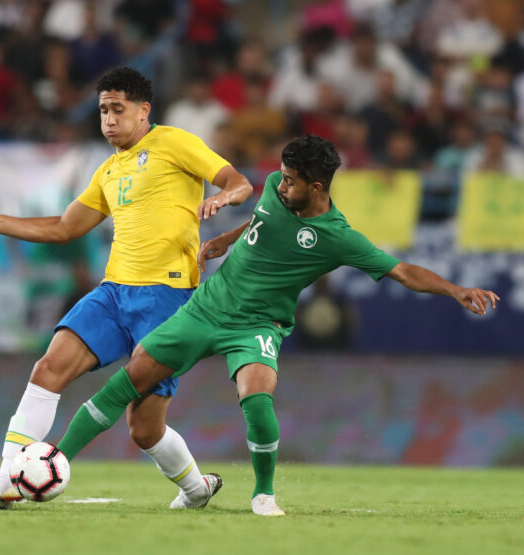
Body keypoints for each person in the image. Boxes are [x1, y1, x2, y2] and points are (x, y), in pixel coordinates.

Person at [53, 135, 500, 516]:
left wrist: (455, 290)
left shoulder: (338, 236)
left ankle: (263, 493)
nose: (280, 184)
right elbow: (260, 219)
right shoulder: (273, 188)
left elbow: (402, 271)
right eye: (281, 176)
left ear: (317, 186)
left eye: (290, 180)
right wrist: (227, 239)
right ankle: (54, 464)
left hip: (258, 325)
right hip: (205, 309)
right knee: (129, 380)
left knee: (257, 394)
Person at [0, 66, 252, 509]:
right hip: (112, 294)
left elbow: (238, 182)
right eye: (103, 110)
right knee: (48, 369)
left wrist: (223, 197)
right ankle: (6, 483)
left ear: (144, 111)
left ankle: (197, 489)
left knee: (143, 428)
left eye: (117, 109)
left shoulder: (174, 143)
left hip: (167, 299)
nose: (108, 119)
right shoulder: (108, 169)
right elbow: (65, 227)